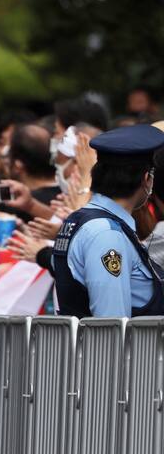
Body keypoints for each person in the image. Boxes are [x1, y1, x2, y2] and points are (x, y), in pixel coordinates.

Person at [52, 124, 164, 317]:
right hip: (110, 347)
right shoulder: (107, 234)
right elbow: (111, 324)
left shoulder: (84, 220)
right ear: (146, 179)